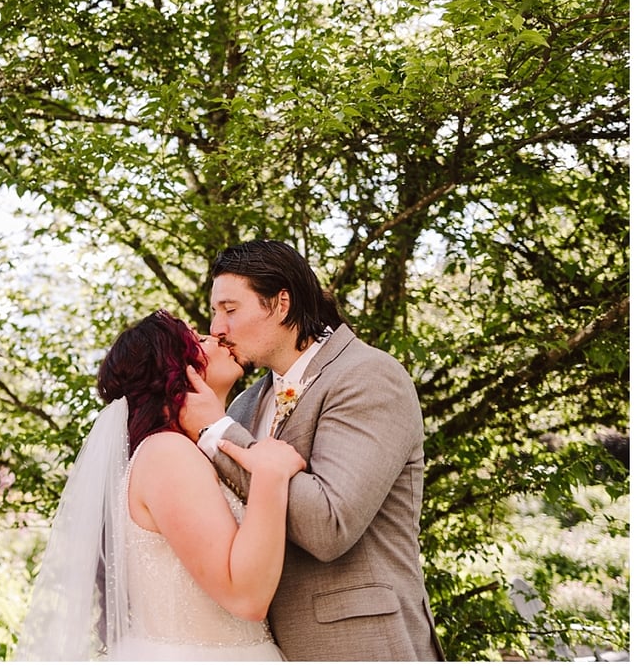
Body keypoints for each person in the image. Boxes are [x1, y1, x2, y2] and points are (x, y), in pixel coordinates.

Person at [181, 239, 445, 661]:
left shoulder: (369, 376)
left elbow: (329, 526)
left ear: (280, 304)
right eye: (215, 312)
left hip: (361, 647)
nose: (217, 328)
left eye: (229, 310)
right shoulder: (244, 405)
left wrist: (216, 431)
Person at [16, 309, 306, 661]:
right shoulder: (168, 454)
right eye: (198, 340)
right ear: (174, 371)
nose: (215, 337)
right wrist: (270, 476)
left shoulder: (183, 452)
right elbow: (245, 597)